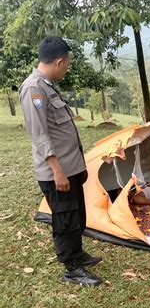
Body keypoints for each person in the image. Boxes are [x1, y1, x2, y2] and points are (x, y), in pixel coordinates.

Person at [19, 37, 102, 286]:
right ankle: (71, 268)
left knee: (76, 214)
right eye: (67, 64)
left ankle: (77, 254)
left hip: (70, 167)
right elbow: (39, 134)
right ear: (59, 61)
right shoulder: (34, 88)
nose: (67, 68)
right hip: (58, 171)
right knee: (65, 218)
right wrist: (58, 171)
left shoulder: (47, 85)